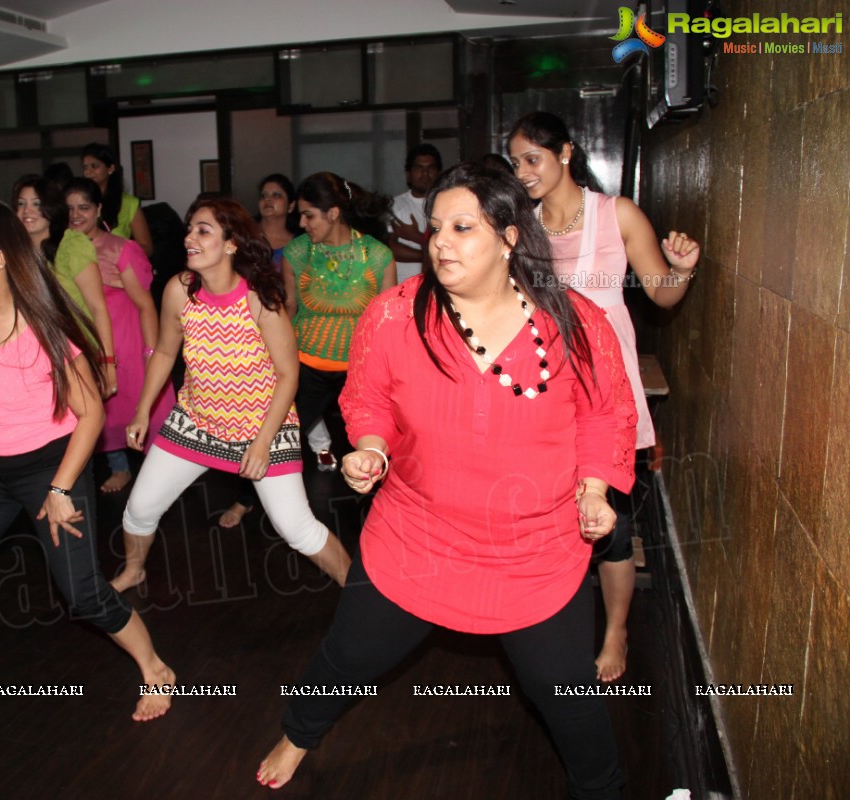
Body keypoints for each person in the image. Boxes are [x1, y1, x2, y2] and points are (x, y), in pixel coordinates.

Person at [256, 162, 637, 798]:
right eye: (435, 227)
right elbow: (369, 398)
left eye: (463, 227)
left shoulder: (574, 321)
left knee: (568, 702)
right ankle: (298, 734)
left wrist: (594, 488)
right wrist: (370, 449)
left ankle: (604, 789)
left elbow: (605, 415)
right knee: (348, 658)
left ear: (511, 238)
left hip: (535, 552)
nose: (439, 242)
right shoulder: (394, 315)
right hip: (419, 539)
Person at [0, 200, 174, 717]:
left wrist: (60, 490)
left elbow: (90, 417)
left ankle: (155, 668)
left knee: (82, 593)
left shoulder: (40, 328)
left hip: (47, 465)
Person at [508, 111, 699, 682]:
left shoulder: (616, 215)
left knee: (610, 525)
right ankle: (546, 622)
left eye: (531, 159)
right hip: (544, 387)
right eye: (515, 162)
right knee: (545, 515)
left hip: (604, 392)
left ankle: (616, 631)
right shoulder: (522, 226)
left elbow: (662, 295)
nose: (522, 173)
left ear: (565, 153)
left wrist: (681, 270)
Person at [111, 197, 352, 593]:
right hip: (195, 423)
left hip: (264, 426)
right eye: (189, 229)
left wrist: (260, 444)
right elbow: (167, 352)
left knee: (297, 529)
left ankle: (356, 588)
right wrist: (142, 411)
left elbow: (289, 375)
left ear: (231, 244)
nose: (189, 237)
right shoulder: (180, 290)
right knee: (138, 510)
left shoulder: (259, 299)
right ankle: (134, 570)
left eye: (203, 230)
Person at [219, 174, 333, 530]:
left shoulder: (303, 244)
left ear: (292, 204)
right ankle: (245, 497)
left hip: (287, 334)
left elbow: (298, 298)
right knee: (257, 415)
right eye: (264, 194)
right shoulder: (242, 238)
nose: (269, 200)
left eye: (277, 195)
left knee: (286, 411)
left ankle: (301, 470)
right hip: (244, 333)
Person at [64, 178, 174, 494]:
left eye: (83, 207)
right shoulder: (62, 250)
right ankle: (120, 468)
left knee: (144, 408)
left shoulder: (120, 248)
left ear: (99, 209)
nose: (75, 215)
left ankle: (160, 477)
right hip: (87, 344)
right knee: (101, 411)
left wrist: (151, 353)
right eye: (69, 208)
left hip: (128, 343)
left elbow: (145, 305)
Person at [283, 172, 395, 473]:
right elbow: (289, 307)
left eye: (309, 215)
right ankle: (246, 502)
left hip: (359, 370)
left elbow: (387, 324)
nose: (302, 224)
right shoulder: (297, 252)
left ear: (333, 213)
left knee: (370, 449)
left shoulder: (378, 256)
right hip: (306, 367)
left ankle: (376, 511)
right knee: (279, 441)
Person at [13, 175, 117, 398]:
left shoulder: (71, 245)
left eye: (36, 204)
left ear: (51, 208)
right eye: (21, 204)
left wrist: (108, 363)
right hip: (30, 360)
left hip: (75, 356)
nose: (27, 211)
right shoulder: (14, 254)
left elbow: (98, 308)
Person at [80, 143, 154, 257]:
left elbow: (147, 248)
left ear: (110, 168)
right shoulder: (80, 201)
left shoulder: (128, 203)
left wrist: (117, 252)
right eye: (85, 167)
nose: (88, 172)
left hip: (118, 269)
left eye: (94, 166)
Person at [388, 143, 443, 283]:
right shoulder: (395, 205)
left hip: (439, 284)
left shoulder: (447, 205)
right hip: (404, 284)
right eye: (419, 168)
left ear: (439, 172)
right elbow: (391, 249)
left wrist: (416, 237)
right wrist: (431, 256)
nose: (425, 173)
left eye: (431, 168)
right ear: (408, 174)